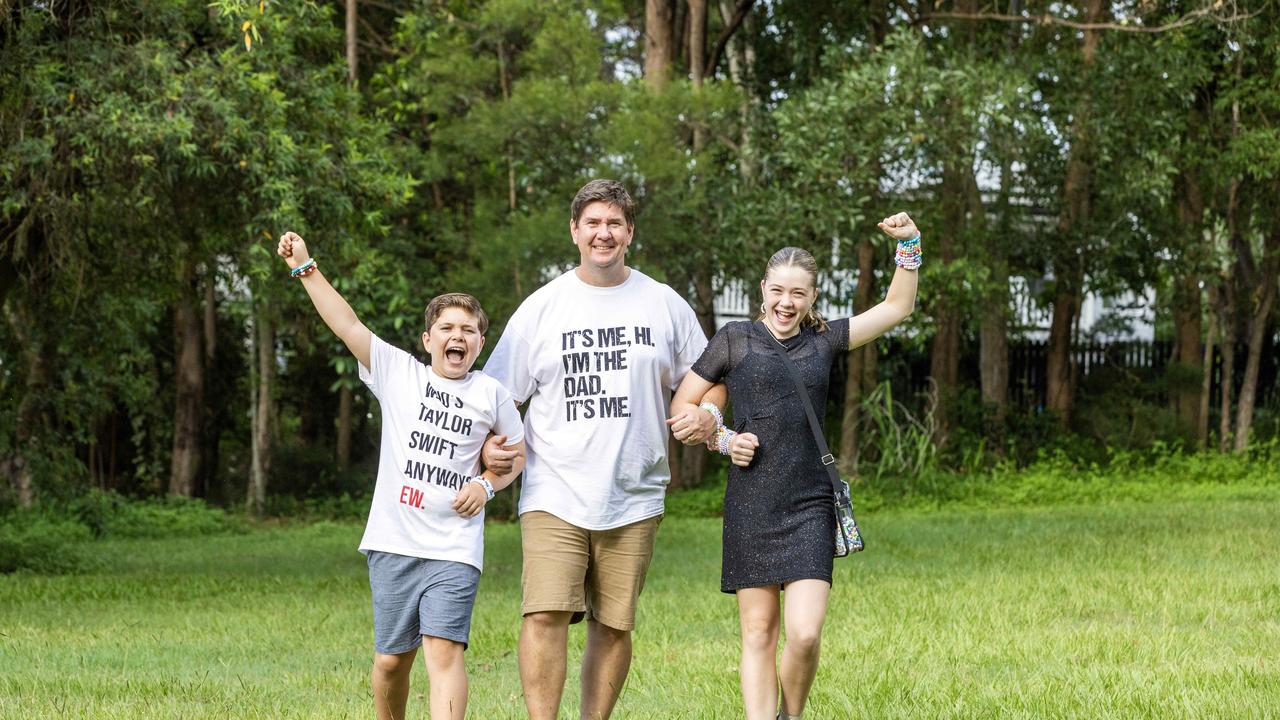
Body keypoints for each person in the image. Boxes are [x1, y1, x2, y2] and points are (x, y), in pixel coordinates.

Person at [668, 213, 922, 720]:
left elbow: (897, 307)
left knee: (804, 633)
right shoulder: (734, 339)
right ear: (762, 289)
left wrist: (910, 245)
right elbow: (681, 409)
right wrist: (723, 438)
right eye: (778, 291)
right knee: (758, 632)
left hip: (809, 501)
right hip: (751, 501)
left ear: (812, 297)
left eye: (798, 294)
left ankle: (792, 713)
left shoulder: (825, 339)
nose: (786, 303)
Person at [483, 179, 718, 720]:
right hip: (554, 488)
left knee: (613, 623)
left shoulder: (664, 304)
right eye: (592, 222)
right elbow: (498, 398)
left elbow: (711, 377)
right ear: (574, 231)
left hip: (634, 492)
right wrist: (491, 451)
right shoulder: (542, 307)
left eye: (614, 223)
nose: (603, 233)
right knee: (544, 615)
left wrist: (710, 415)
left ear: (630, 232)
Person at [276, 231, 526, 720]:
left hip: (455, 546)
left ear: (480, 342)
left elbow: (515, 457)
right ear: (428, 339)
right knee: (392, 660)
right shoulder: (399, 373)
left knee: (444, 650)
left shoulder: (491, 394)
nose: (458, 336)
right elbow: (345, 323)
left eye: (469, 329)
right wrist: (304, 266)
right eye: (448, 327)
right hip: (394, 540)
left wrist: (484, 485)